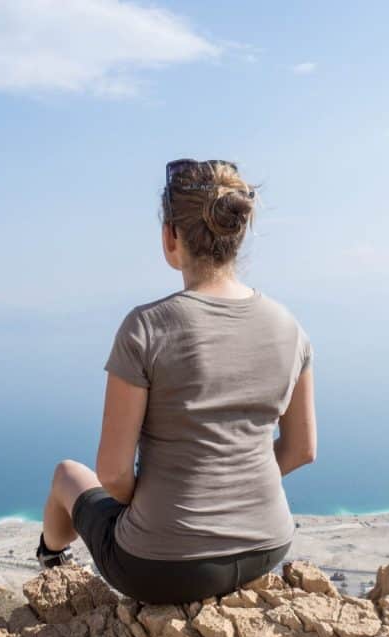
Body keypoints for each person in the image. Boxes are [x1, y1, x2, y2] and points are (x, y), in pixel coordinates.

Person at [36, 158, 316, 604]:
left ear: (170, 237)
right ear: (238, 233)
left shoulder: (146, 327)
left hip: (161, 567)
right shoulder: (290, 326)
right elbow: (302, 449)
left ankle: (51, 562)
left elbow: (111, 473)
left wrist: (155, 503)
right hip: (268, 545)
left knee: (68, 475)